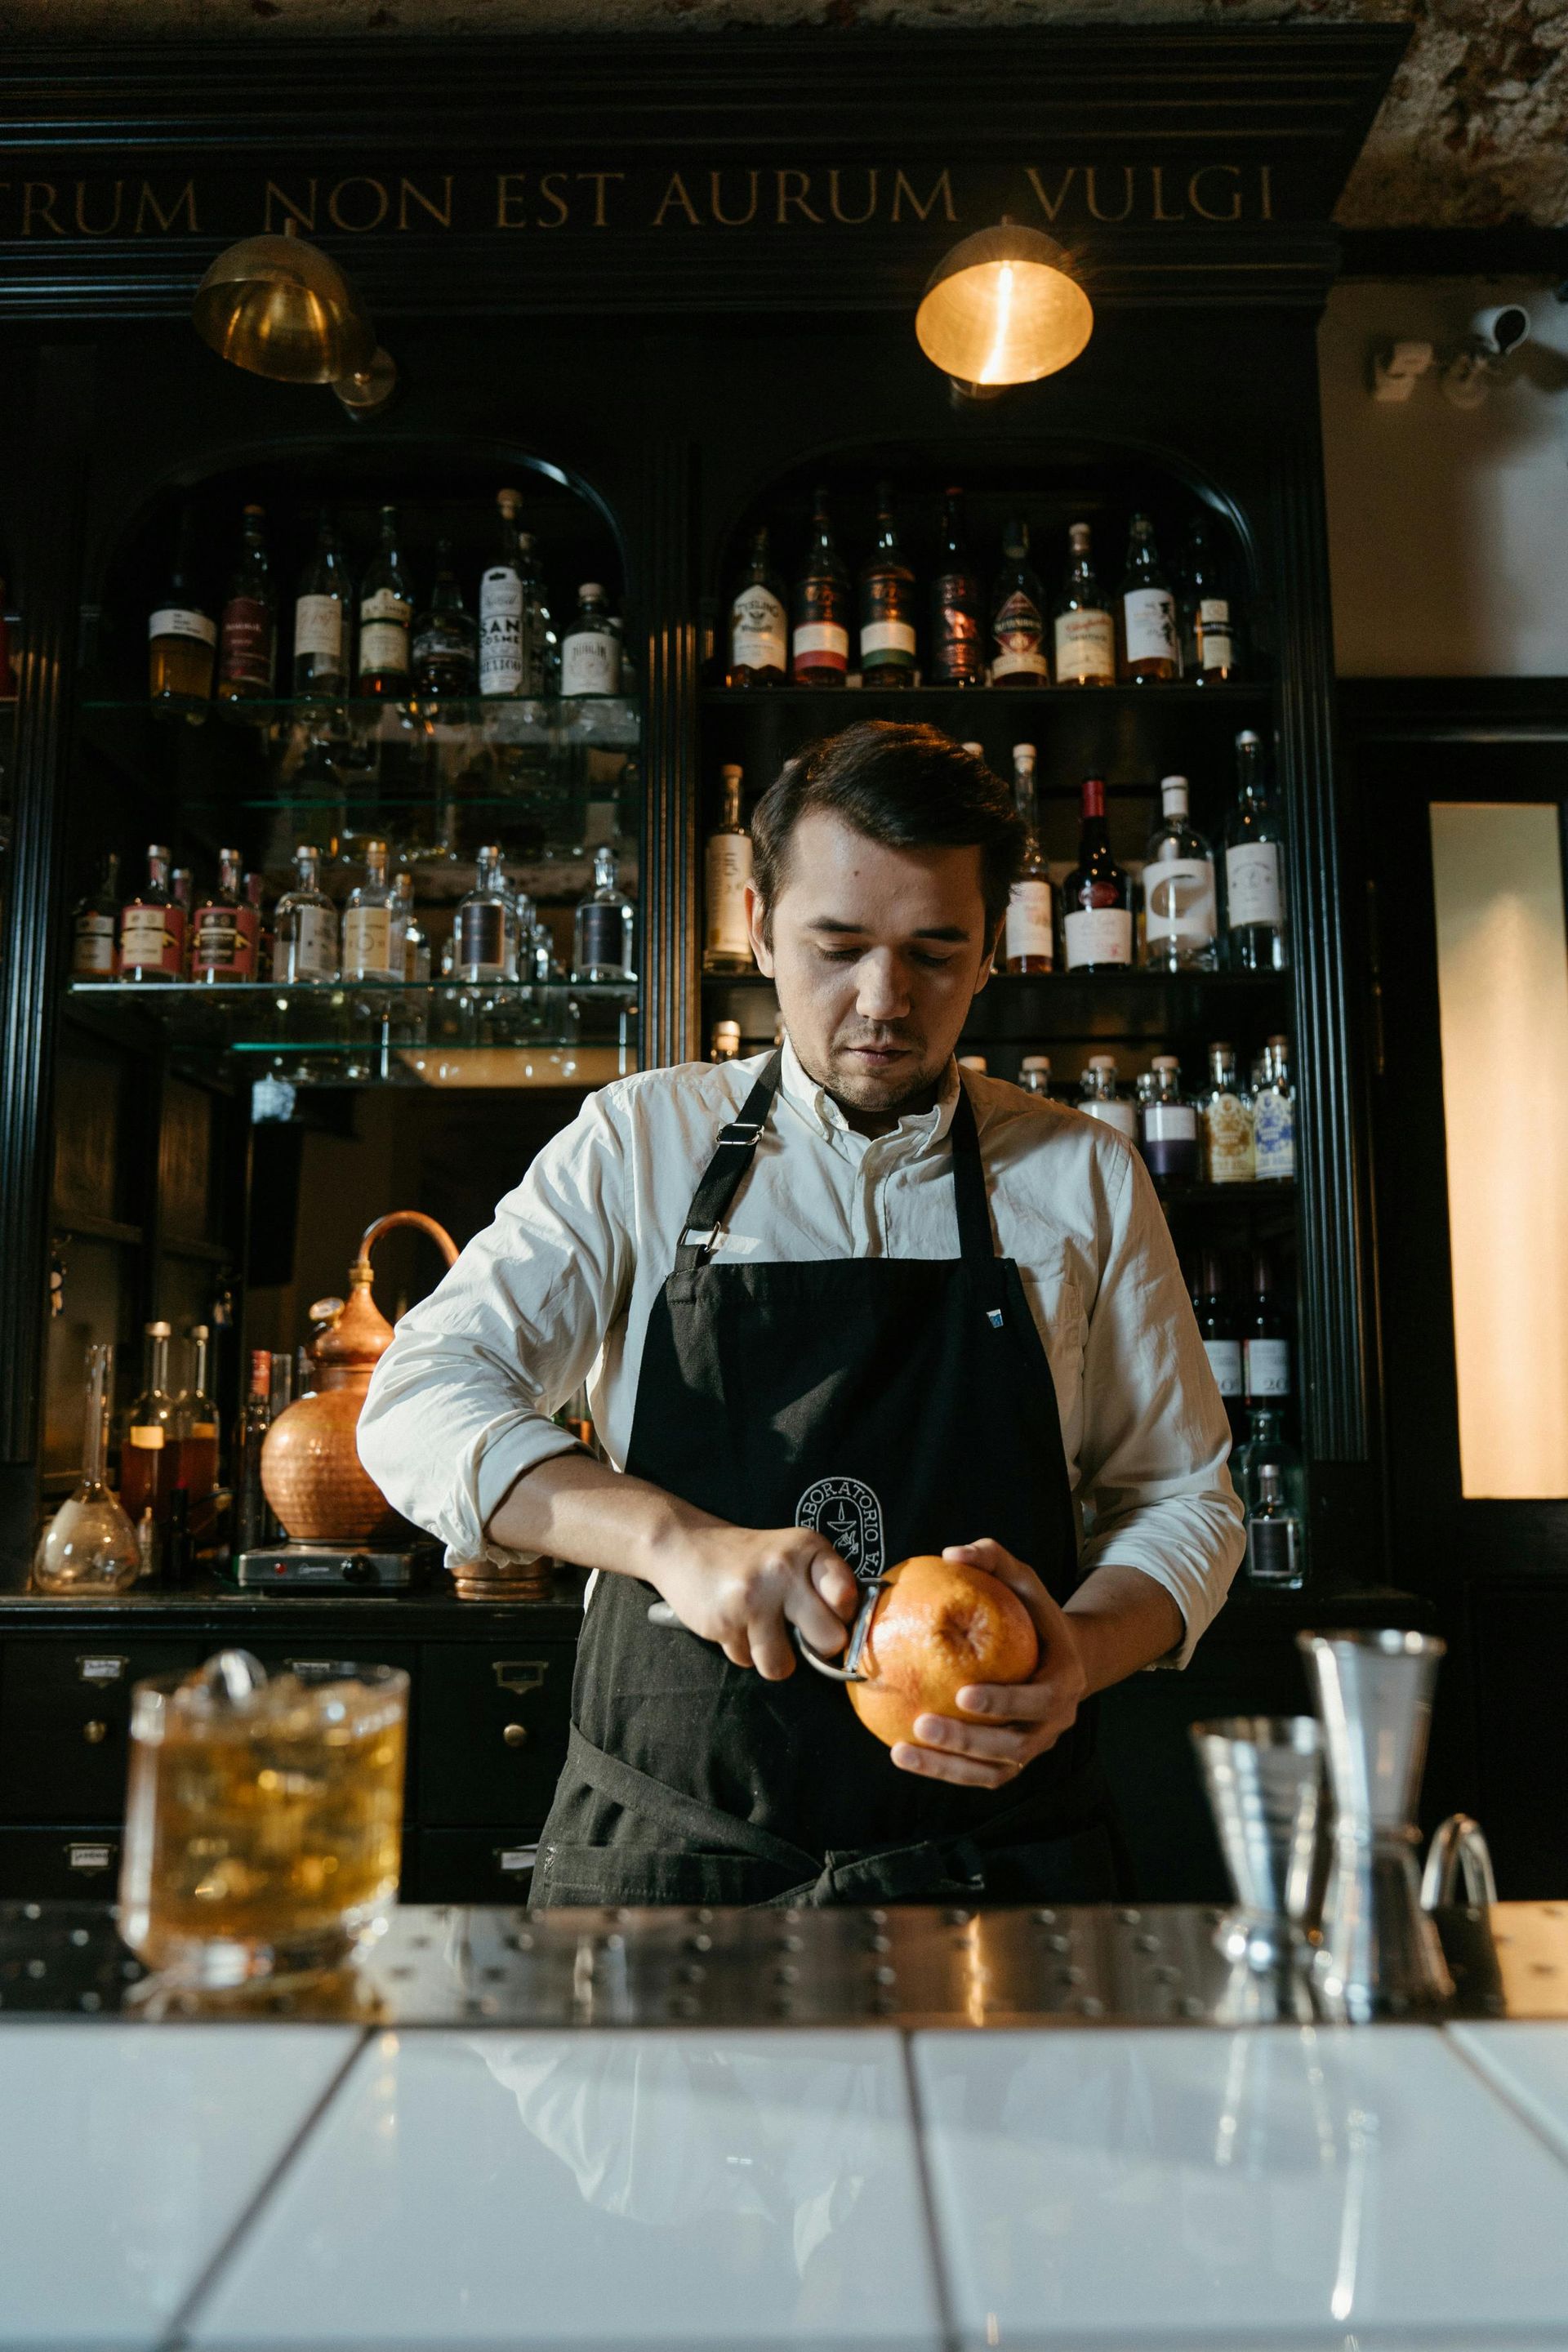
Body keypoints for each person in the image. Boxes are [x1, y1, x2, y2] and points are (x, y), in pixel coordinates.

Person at [359, 721, 1244, 1906]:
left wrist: (1079, 1655)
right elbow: (419, 1399)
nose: (886, 1001)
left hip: (996, 1865)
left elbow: (1185, 1501)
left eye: (938, 952)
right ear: (761, 922)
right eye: (838, 947)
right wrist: (670, 1543)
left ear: (991, 951)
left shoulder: (1079, 1176)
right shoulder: (640, 1143)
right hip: (668, 1854)